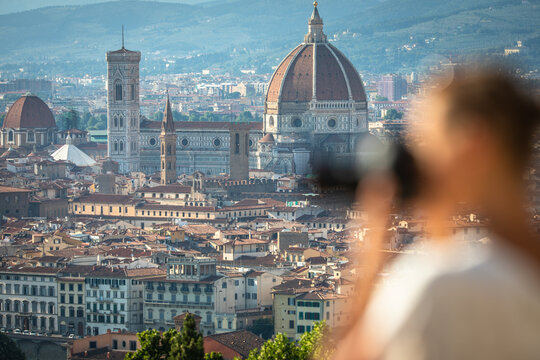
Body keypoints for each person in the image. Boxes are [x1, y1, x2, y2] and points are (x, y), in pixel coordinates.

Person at [334, 69, 540, 360]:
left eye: (427, 142)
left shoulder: (445, 285)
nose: (418, 162)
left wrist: (369, 260)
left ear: (473, 144)